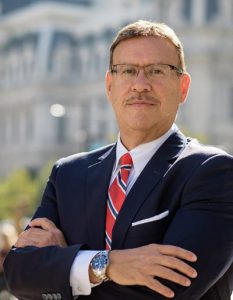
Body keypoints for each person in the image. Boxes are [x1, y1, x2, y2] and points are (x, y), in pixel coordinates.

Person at [3, 20, 233, 300]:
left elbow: (167, 292)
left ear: (182, 87)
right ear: (109, 85)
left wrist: (65, 265)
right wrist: (110, 265)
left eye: (156, 71)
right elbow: (18, 275)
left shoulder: (213, 173)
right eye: (127, 71)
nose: (140, 84)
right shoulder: (68, 175)